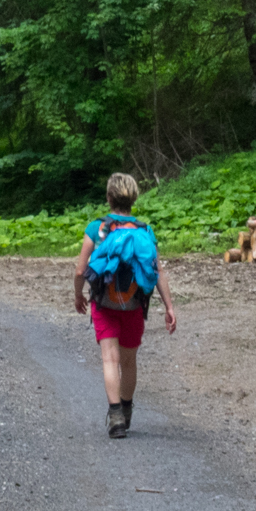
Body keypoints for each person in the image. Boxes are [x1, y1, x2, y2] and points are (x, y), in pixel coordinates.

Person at [73, 172, 178, 438]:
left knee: (110, 358)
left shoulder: (97, 229)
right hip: (133, 304)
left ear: (109, 198)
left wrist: (78, 295)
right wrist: (169, 307)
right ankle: (127, 410)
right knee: (129, 361)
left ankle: (116, 416)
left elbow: (80, 270)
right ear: (133, 198)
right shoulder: (144, 231)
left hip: (104, 304)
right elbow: (157, 272)